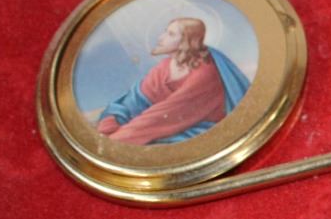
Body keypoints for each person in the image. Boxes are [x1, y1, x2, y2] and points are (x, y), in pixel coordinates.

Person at [95, 16, 250, 145]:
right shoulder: (164, 67)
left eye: (170, 34)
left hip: (200, 132)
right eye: (165, 31)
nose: (160, 37)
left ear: (187, 41)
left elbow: (164, 117)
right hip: (162, 125)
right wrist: (111, 124)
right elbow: (134, 102)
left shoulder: (205, 73)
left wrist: (115, 142)